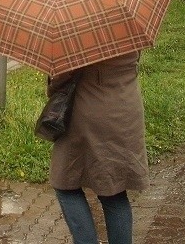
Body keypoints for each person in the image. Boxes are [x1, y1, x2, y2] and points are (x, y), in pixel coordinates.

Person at [49, 51, 148, 244]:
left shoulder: (79, 30)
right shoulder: (128, 25)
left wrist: (51, 80)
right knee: (115, 191)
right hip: (126, 109)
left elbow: (61, 76)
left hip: (88, 109)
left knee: (65, 182)